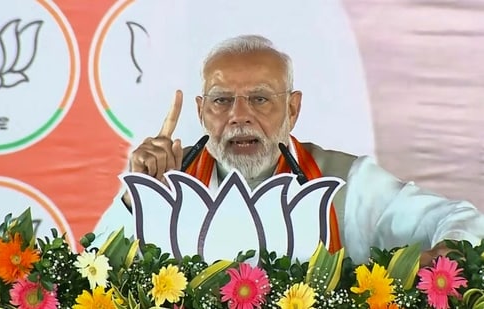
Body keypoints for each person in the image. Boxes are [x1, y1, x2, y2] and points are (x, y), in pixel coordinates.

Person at [96, 34, 484, 266]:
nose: (238, 116)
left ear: (293, 109)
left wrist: (449, 250)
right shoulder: (167, 178)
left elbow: (460, 218)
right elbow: (90, 268)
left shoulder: (345, 181)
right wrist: (136, 197)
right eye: (221, 100)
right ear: (200, 112)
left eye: (260, 99)